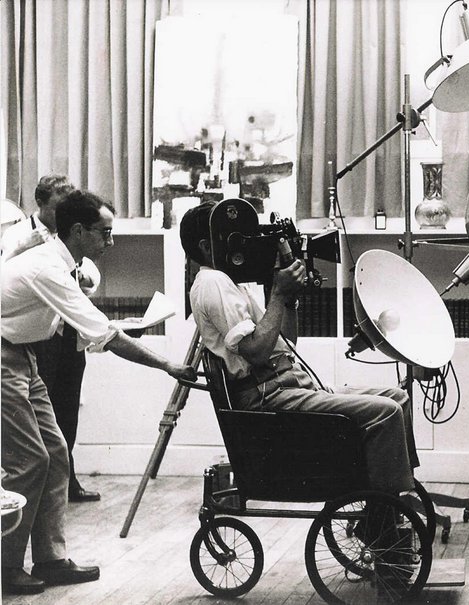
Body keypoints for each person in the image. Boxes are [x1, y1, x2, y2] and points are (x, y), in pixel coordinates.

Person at [1, 190, 197, 595]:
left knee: (56, 454)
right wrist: (167, 365)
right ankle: (5, 566)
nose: (110, 243)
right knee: (30, 460)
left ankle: (51, 559)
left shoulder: (65, 263)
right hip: (4, 356)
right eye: (104, 234)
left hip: (24, 355)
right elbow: (103, 334)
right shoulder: (47, 269)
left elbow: (88, 322)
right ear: (77, 231)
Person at [179, 202, 419, 496]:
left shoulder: (229, 281)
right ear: (206, 246)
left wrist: (287, 297)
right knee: (386, 411)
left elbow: (287, 341)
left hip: (285, 385)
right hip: (270, 395)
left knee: (398, 398)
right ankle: (386, 515)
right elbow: (256, 353)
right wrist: (278, 293)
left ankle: (388, 502)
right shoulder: (213, 282)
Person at [3, 175, 103, 502]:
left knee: (66, 410)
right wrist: (20, 249)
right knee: (32, 439)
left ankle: (68, 478)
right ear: (42, 203)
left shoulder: (69, 236)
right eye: (59, 205)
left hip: (65, 329)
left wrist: (85, 278)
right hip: (31, 337)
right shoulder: (18, 233)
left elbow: (88, 276)